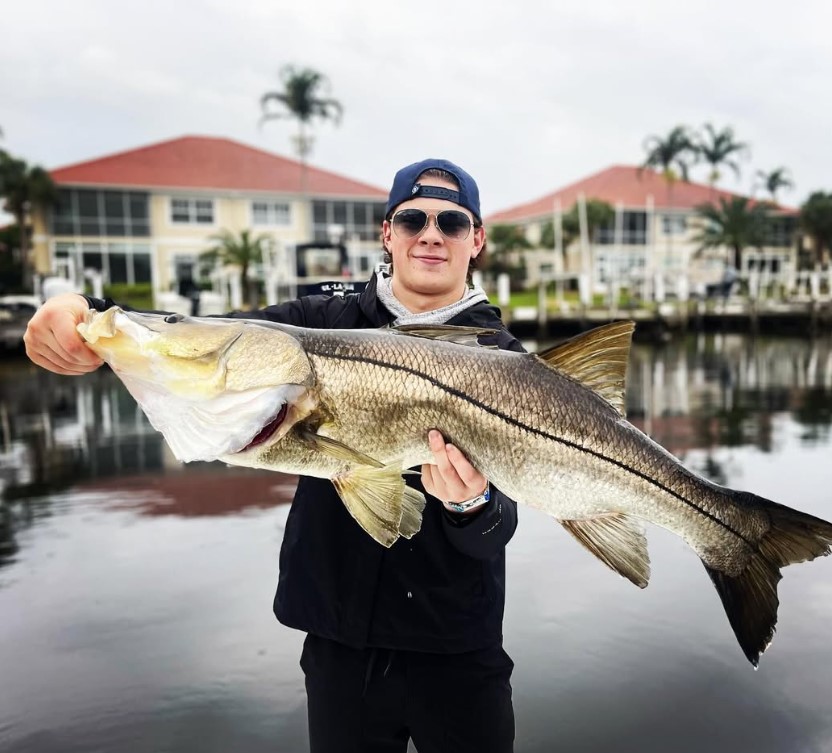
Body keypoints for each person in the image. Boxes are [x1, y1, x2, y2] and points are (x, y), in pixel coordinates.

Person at [24, 158, 522, 753]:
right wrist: (82, 310)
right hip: (342, 649)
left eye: (453, 223)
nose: (431, 234)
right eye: (413, 219)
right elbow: (209, 339)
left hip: (458, 649)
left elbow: (498, 528)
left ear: (477, 240)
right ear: (387, 234)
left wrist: (473, 504)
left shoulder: (507, 363)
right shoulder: (314, 322)